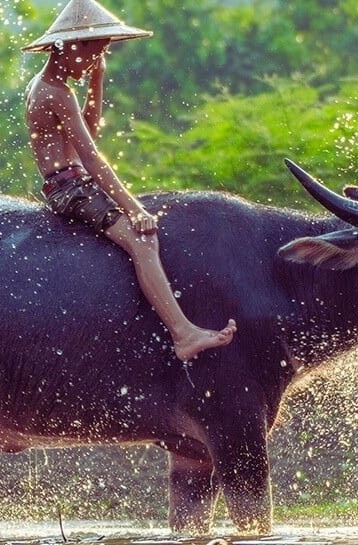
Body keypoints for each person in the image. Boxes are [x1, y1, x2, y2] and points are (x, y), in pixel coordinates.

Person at [23, 0, 237, 361]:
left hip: (72, 182)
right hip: (70, 190)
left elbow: (87, 135)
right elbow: (90, 158)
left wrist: (97, 80)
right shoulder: (54, 92)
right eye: (94, 52)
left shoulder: (54, 85)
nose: (96, 59)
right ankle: (183, 333)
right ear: (69, 45)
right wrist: (134, 209)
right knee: (143, 241)